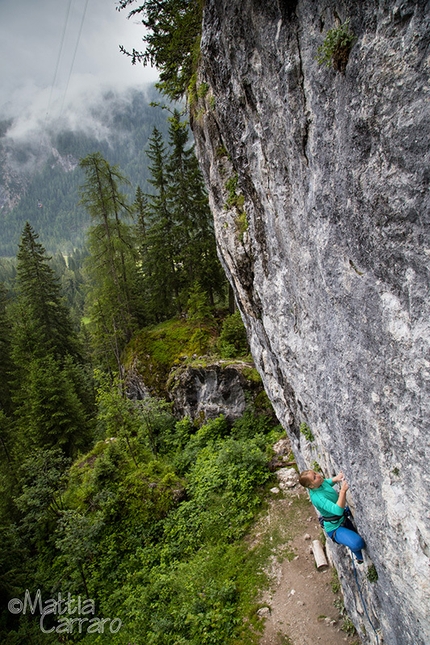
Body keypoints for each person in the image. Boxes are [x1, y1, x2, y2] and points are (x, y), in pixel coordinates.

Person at [299, 469, 365, 563]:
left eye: (315, 473)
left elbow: (327, 483)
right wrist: (342, 491)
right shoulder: (318, 498)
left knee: (355, 537)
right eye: (314, 477)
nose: (318, 475)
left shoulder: (319, 483)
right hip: (335, 528)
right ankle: (360, 558)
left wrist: (336, 478)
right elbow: (338, 510)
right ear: (311, 486)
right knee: (357, 543)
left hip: (342, 518)